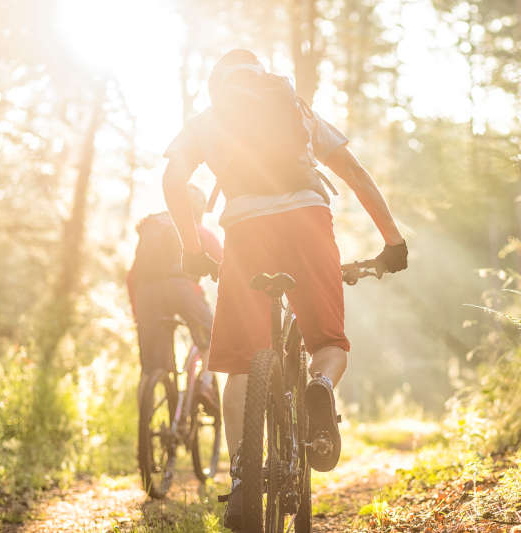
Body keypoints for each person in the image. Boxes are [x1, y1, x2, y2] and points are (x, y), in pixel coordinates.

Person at [162, 49, 407, 530]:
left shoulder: (209, 119)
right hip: (307, 222)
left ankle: (240, 481)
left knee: (240, 366)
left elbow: (173, 179)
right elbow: (354, 172)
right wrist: (392, 241)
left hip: (246, 232)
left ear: (220, 83)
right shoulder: (295, 107)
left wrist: (192, 247)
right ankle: (319, 386)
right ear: (261, 77)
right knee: (329, 343)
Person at [126, 184, 223, 413]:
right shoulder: (197, 230)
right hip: (184, 289)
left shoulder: (152, 231)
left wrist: (138, 312)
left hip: (146, 295)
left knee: (150, 369)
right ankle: (204, 386)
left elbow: (132, 278)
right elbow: (226, 268)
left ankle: (145, 435)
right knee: (212, 340)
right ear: (198, 210)